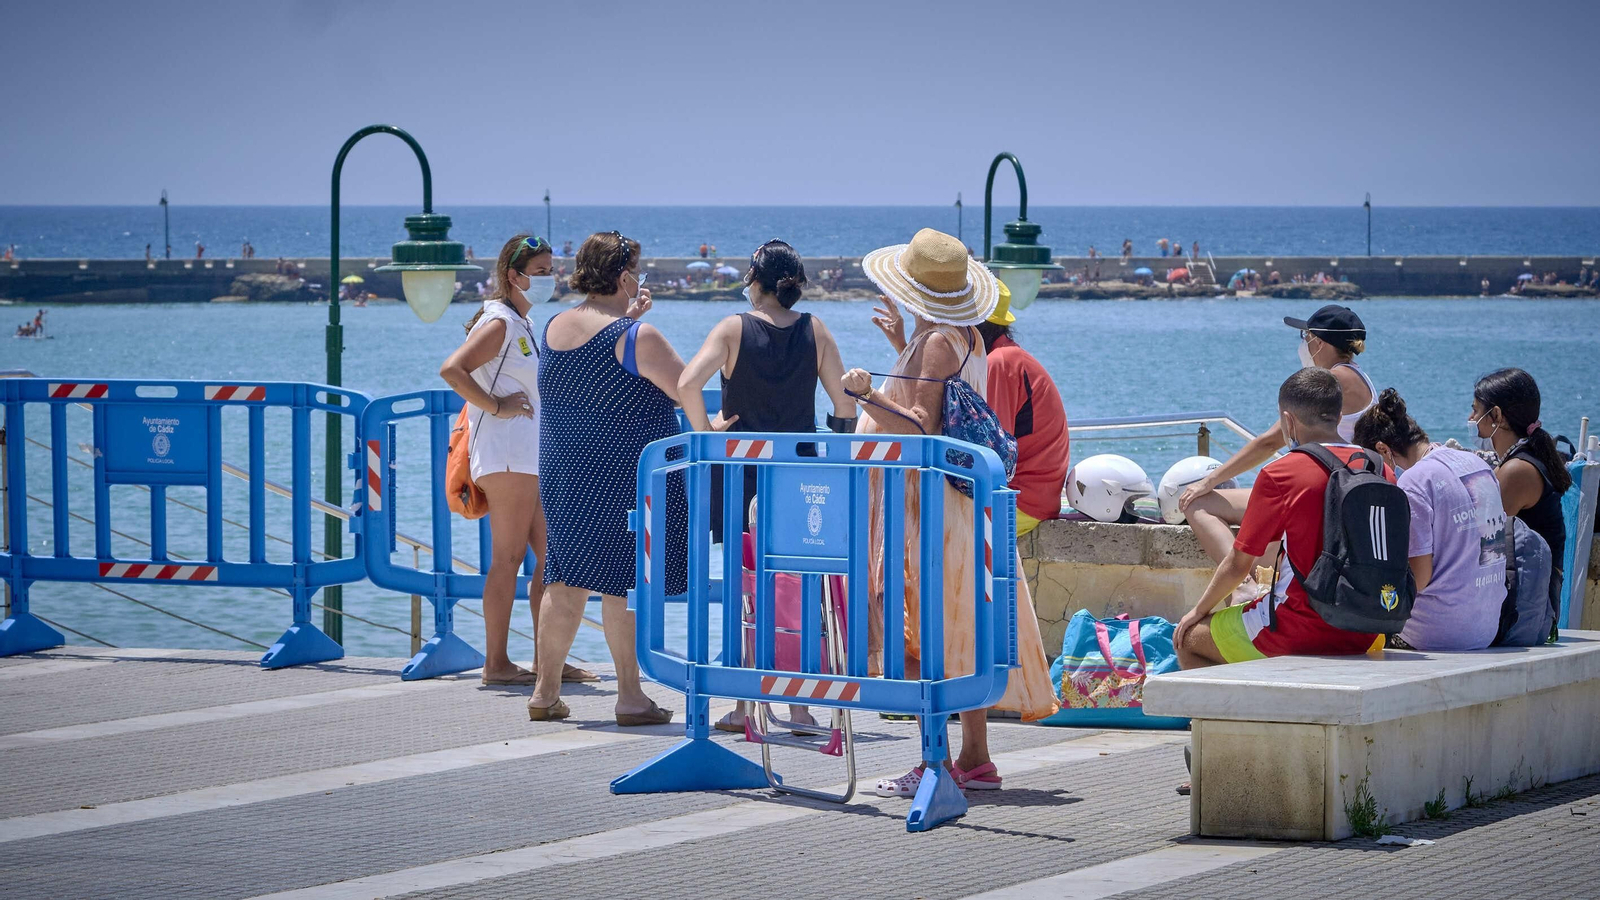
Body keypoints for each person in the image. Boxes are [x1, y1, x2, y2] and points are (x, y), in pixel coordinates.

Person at [844, 228, 1058, 797]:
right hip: (949, 503)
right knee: (956, 625)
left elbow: (920, 423)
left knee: (923, 628)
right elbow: (942, 397)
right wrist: (900, 349)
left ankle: (933, 759)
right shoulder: (958, 336)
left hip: (924, 505)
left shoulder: (938, 340)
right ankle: (974, 757)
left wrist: (867, 394)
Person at [678, 239, 857, 733]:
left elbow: (687, 384)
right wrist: (833, 457)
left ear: (756, 281)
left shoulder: (733, 327)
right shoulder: (814, 330)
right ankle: (799, 706)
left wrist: (706, 436)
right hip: (796, 478)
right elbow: (845, 407)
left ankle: (742, 706)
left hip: (738, 476)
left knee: (745, 592)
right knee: (797, 587)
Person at [527, 231, 688, 726]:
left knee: (565, 575)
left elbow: (595, 370)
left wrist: (627, 319)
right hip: (624, 474)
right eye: (635, 271)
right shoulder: (641, 336)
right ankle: (630, 695)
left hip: (564, 469)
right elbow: (686, 390)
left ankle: (544, 691)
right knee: (624, 580)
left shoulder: (554, 325)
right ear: (623, 277)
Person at [438, 235, 591, 686]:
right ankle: (497, 664)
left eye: (551, 270)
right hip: (507, 457)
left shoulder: (520, 323)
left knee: (554, 558)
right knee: (507, 558)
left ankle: (549, 662)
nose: (550, 278)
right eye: (541, 272)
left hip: (530, 456)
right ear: (514, 275)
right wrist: (496, 406)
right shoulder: (501, 322)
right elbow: (452, 370)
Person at [1175, 368, 1391, 669]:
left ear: (1288, 421)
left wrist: (1197, 612)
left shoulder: (1282, 473)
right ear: (1339, 416)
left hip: (1297, 630)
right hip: (1367, 630)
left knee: (1188, 639)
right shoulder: (1379, 468)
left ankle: (1237, 716)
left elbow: (1239, 564)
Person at [1179, 305, 1377, 567]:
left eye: (1305, 336)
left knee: (1199, 503)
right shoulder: (1359, 376)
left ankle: (1241, 588)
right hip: (1339, 492)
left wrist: (1208, 481)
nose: (1304, 343)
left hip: (1315, 493)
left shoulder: (1329, 381)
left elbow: (1271, 440)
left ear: (1318, 341)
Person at [1354, 389, 1506, 650]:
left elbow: (1419, 579)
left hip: (1435, 634)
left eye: (1371, 463)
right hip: (1487, 627)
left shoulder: (1414, 482)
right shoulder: (1476, 464)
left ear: (1382, 449)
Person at [1470, 368, 1571, 639]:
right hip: (1538, 606)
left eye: (1475, 411)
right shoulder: (1526, 459)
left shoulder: (1517, 471)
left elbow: (1481, 541)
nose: (1471, 420)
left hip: (1528, 613)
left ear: (1497, 416)